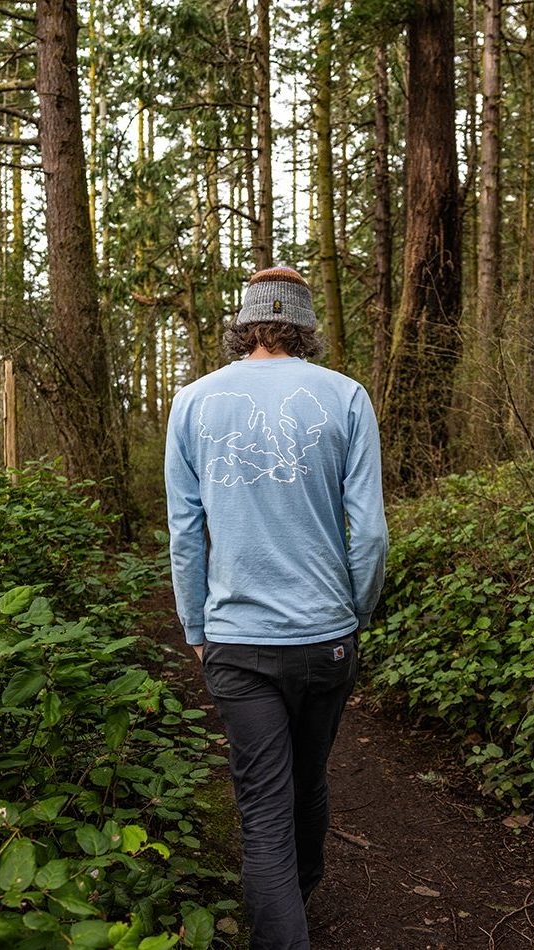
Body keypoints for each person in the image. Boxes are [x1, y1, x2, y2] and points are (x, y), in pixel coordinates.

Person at [163, 265, 388, 949]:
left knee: (263, 809)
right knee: (309, 775)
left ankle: (284, 919)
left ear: (244, 324)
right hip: (328, 638)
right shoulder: (347, 397)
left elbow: (184, 532)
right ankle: (303, 894)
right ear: (306, 326)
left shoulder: (194, 402)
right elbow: (371, 532)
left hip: (237, 643)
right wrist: (355, 613)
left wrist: (197, 626)